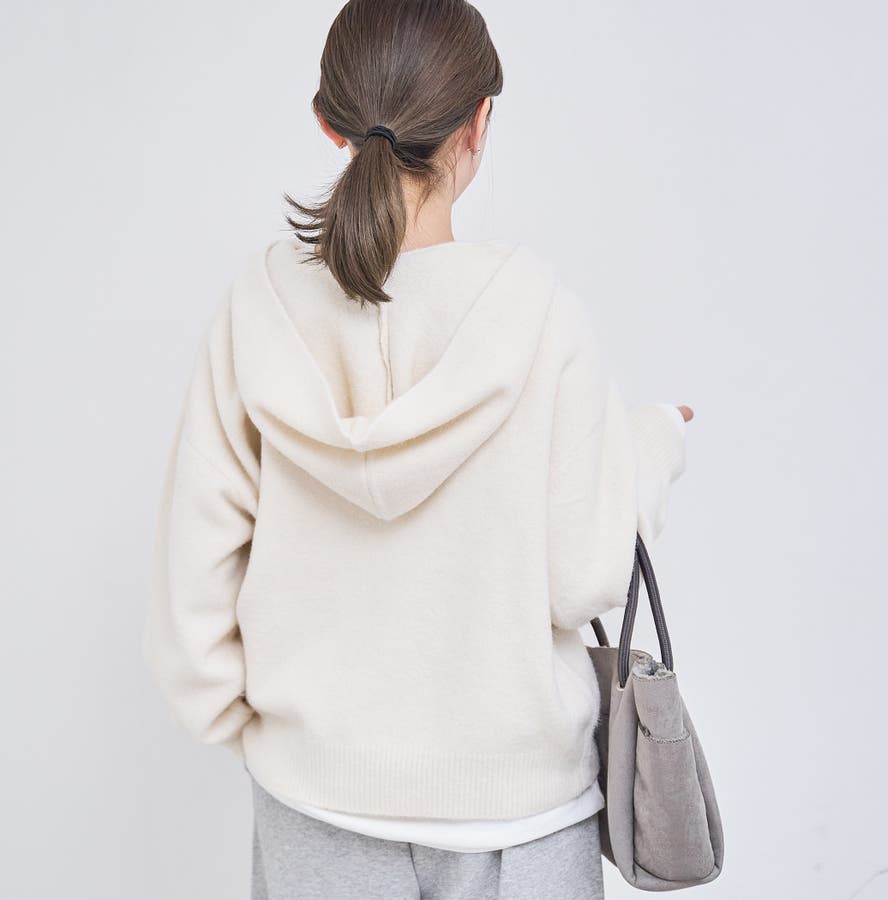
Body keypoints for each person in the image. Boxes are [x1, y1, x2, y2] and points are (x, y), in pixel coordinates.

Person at [141, 1, 693, 897]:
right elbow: (585, 577)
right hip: (520, 817)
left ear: (329, 123)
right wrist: (652, 444)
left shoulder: (258, 312)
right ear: (478, 123)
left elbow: (194, 567)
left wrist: (261, 732)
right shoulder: (541, 318)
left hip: (315, 808)